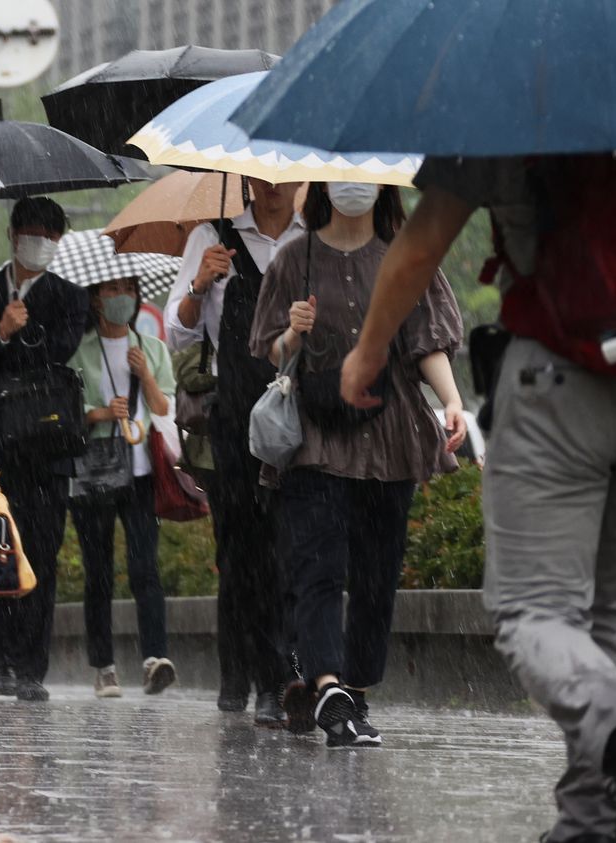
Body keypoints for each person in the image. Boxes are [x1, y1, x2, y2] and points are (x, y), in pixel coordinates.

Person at [339, 147, 616, 841]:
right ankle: (597, 818)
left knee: (533, 608)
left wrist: (369, 349)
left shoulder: (517, 93)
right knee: (615, 606)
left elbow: (422, 243)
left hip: (562, 376)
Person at [250, 181, 465, 747]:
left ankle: (356, 696)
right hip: (315, 442)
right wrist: (292, 334)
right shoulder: (293, 258)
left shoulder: (406, 255)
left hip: (389, 439)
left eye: (362, 172)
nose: (353, 184)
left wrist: (451, 400)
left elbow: (428, 342)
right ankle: (326, 685)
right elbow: (270, 352)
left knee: (375, 576)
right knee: (316, 569)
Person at [164, 177, 304, 726]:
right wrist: (200, 285)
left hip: (300, 411)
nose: (274, 187)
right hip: (237, 413)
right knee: (243, 550)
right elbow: (177, 335)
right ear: (244, 178)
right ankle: (259, 677)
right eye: (261, 177)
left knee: (292, 547)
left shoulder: (313, 238)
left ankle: (294, 670)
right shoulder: (211, 236)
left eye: (285, 174)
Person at [0, 197, 88, 702]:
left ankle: (31, 668)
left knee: (42, 553)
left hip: (48, 445)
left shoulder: (70, 296)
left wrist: (22, 330)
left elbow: (58, 349)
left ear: (59, 241)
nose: (38, 242)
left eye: (49, 234)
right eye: (31, 232)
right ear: (13, 234)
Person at [68, 276, 179, 698]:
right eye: (113, 291)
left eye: (129, 290)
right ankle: (104, 666)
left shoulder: (152, 348)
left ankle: (155, 658)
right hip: (93, 473)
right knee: (98, 574)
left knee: (144, 568)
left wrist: (144, 375)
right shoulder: (79, 350)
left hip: (141, 472)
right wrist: (97, 413)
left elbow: (164, 406)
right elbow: (66, 410)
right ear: (96, 298)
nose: (122, 299)